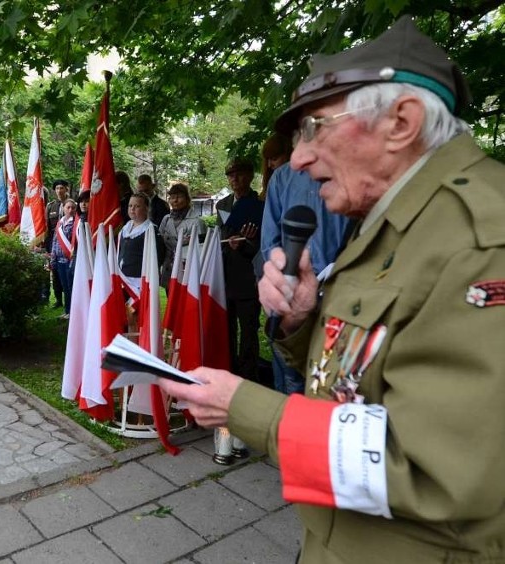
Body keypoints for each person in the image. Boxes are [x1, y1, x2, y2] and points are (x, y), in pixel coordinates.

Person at [158, 16, 505, 562]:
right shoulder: (396, 220)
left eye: (316, 127)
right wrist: (301, 319)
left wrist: (243, 406)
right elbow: (363, 371)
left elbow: (439, 472)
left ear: (402, 122)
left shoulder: (482, 240)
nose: (297, 158)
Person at [259, 134, 349, 394]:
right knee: (291, 377)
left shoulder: (345, 175)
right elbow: (270, 240)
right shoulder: (282, 178)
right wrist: (283, 279)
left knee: (333, 374)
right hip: (292, 292)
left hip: (337, 291)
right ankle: (287, 430)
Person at [215, 158, 263, 384]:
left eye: (240, 174)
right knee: (226, 330)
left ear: (250, 176)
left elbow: (265, 242)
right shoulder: (222, 204)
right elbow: (219, 234)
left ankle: (248, 377)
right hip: (225, 275)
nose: (235, 179)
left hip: (248, 276)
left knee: (249, 331)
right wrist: (227, 240)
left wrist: (246, 242)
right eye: (231, 175)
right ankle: (229, 371)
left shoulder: (260, 203)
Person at [158, 182, 206, 291]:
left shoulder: (197, 222)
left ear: (187, 199)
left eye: (179, 197)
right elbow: (160, 243)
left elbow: (201, 251)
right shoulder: (166, 219)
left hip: (187, 271)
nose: (175, 201)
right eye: (172, 197)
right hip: (169, 269)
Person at [118, 193, 164, 296]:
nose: (132, 209)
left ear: (147, 208)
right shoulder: (126, 228)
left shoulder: (151, 230)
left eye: (137, 206)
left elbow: (157, 258)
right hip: (122, 280)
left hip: (138, 284)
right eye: (130, 206)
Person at [44, 179, 70, 309]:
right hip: (53, 245)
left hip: (67, 245)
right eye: (57, 188)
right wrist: (46, 247)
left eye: (62, 188)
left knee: (68, 272)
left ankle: (69, 300)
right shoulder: (50, 206)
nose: (59, 191)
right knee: (55, 272)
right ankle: (58, 299)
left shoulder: (72, 205)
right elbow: (47, 228)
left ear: (67, 189)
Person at [50, 198, 77, 320]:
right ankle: (67, 310)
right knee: (65, 287)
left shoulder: (75, 223)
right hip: (59, 261)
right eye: (68, 207)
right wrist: (53, 259)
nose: (70, 210)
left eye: (73, 208)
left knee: (71, 287)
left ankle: (73, 312)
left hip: (70, 261)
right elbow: (55, 241)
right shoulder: (60, 222)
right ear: (63, 208)